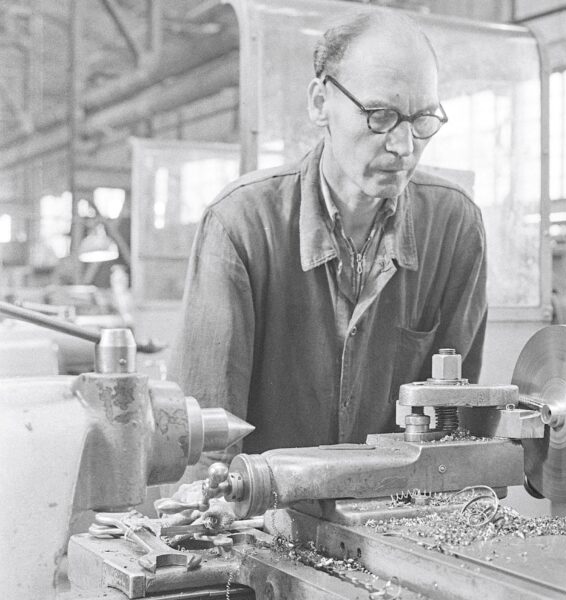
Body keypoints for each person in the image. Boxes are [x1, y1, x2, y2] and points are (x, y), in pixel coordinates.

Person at [171, 10, 487, 458]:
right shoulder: (241, 225)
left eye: (422, 121)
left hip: (394, 516)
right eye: (380, 116)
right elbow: (203, 444)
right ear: (321, 103)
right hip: (263, 514)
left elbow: (457, 422)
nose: (403, 146)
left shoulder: (453, 226)